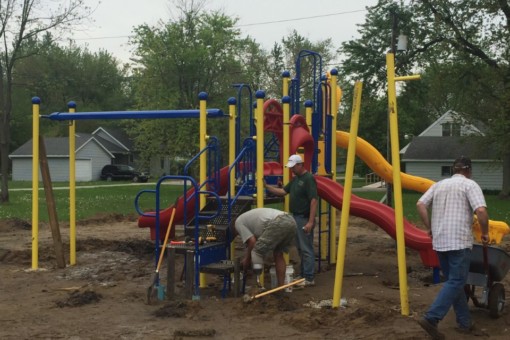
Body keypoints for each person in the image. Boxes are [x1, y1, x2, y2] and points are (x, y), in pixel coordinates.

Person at [416, 156, 489, 339]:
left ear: (453, 169)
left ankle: (465, 323)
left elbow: (420, 204)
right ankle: (432, 318)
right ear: (468, 170)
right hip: (459, 241)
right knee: (456, 282)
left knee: (454, 283)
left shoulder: (438, 185)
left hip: (440, 242)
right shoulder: (470, 185)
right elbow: (480, 211)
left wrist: (429, 228)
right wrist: (485, 232)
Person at [264, 154, 318, 287]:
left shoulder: (308, 179)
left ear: (300, 165)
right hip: (296, 217)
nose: (291, 170)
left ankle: (309, 277)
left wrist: (310, 221)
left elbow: (313, 200)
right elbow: (283, 191)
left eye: (293, 167)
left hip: (303, 217)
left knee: (306, 248)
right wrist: (267, 187)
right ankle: (304, 274)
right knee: (300, 247)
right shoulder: (296, 179)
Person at [234, 207, 296, 287]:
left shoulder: (238, 223)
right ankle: (281, 288)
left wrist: (247, 259)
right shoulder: (248, 221)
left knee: (257, 252)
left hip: (279, 221)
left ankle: (258, 285)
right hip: (291, 220)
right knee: (278, 254)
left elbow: (252, 242)